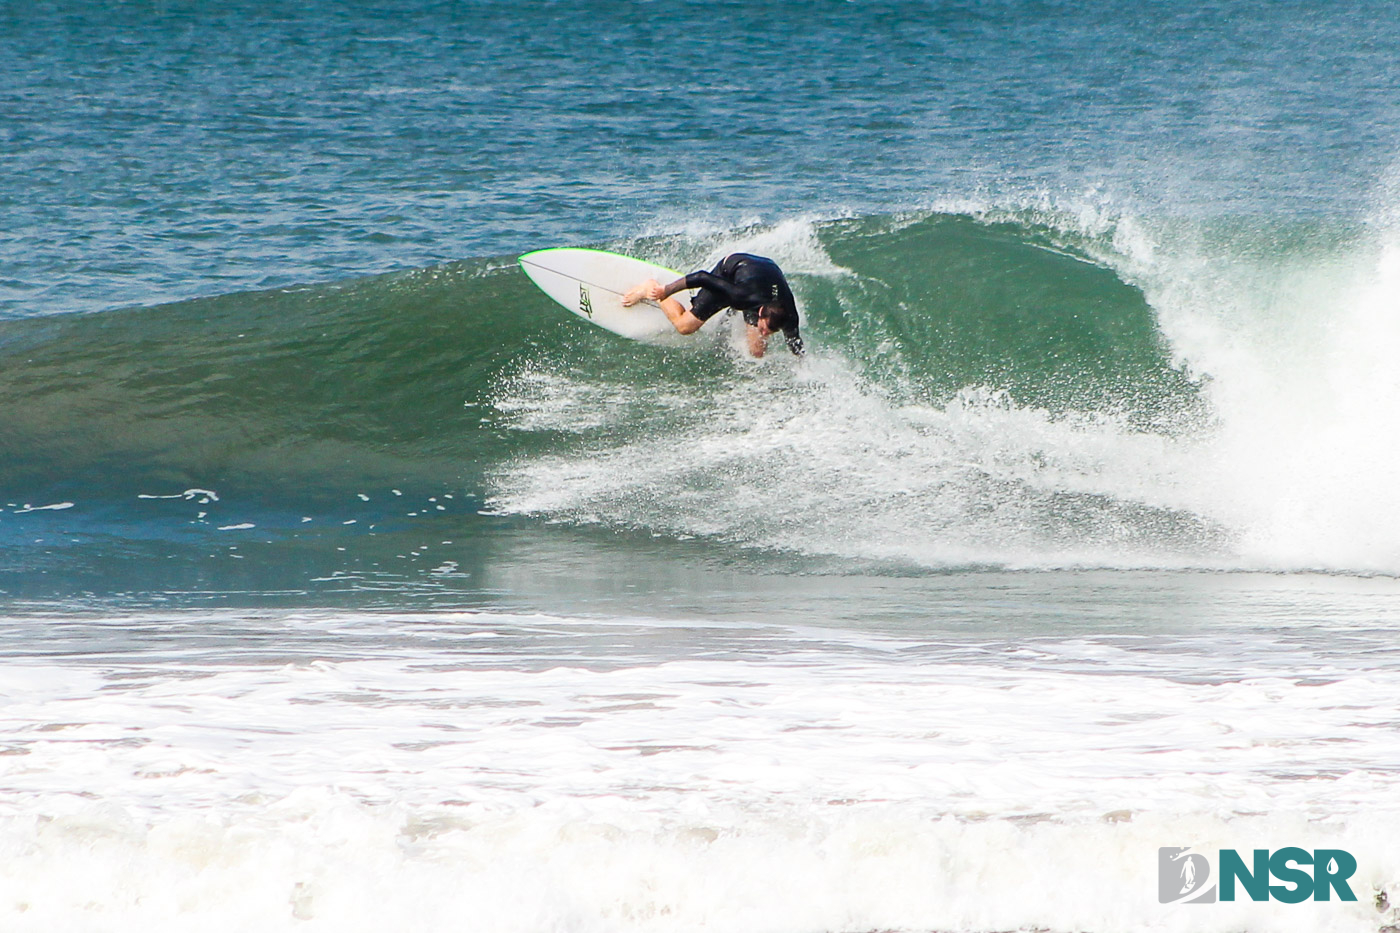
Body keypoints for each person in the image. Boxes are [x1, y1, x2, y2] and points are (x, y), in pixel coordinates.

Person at [621, 253, 803, 357]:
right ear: (761, 312)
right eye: (763, 328)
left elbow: (795, 343)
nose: (764, 333)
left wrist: (803, 366)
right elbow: (701, 277)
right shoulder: (740, 295)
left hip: (761, 274)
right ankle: (650, 287)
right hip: (730, 271)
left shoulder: (788, 316)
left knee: (757, 352)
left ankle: (736, 311)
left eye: (769, 332)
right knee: (685, 327)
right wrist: (665, 290)